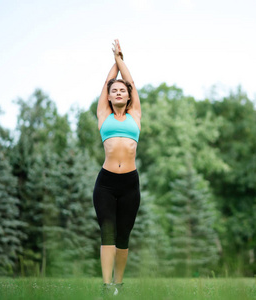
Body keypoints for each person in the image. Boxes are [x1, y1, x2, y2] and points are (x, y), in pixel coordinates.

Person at [93, 39, 141, 295]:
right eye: (115, 91)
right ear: (109, 98)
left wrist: (120, 59)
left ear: (128, 95)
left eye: (123, 90)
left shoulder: (135, 115)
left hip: (130, 184)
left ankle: (118, 286)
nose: (119, 92)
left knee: (123, 236)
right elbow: (105, 84)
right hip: (106, 184)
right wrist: (115, 63)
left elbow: (131, 83)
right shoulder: (104, 115)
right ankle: (105, 285)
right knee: (107, 233)